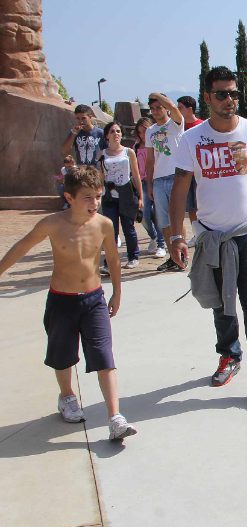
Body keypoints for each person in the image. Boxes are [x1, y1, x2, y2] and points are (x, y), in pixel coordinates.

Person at [169, 66, 247, 398]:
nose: (229, 100)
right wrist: (176, 236)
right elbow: (179, 190)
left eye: (234, 93)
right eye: (222, 94)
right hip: (214, 237)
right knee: (222, 304)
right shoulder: (191, 139)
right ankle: (229, 356)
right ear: (208, 97)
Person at [0, 166, 137, 440]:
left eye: (97, 196)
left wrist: (117, 293)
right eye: (87, 197)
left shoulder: (104, 224)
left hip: (94, 300)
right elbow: (22, 247)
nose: (94, 203)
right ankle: (67, 396)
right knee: (62, 356)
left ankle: (115, 417)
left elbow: (112, 259)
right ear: (69, 197)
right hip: (61, 302)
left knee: (104, 356)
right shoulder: (52, 224)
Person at [145, 92, 184, 272]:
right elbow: (150, 159)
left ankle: (182, 255)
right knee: (164, 221)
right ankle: (173, 257)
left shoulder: (175, 123)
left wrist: (157, 95)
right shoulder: (150, 131)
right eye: (152, 108)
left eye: (158, 107)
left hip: (176, 175)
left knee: (177, 219)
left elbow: (174, 108)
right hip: (159, 179)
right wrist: (150, 183)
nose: (155, 111)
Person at [99, 121, 144, 270]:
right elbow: (100, 176)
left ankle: (133, 257)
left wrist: (141, 197)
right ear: (107, 135)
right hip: (109, 195)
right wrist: (98, 194)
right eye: (112, 131)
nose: (116, 134)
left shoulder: (128, 152)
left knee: (128, 228)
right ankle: (110, 261)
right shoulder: (102, 154)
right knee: (110, 230)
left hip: (126, 193)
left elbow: (136, 175)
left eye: (118, 131)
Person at [133, 117, 167, 259]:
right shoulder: (135, 147)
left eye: (145, 131)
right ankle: (153, 236)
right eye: (140, 132)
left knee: (159, 213)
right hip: (143, 183)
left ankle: (161, 244)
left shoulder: (157, 143)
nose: (143, 135)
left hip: (156, 180)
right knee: (144, 215)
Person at [177, 96, 204, 247]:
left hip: (200, 173)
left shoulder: (201, 125)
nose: (178, 110)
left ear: (190, 109)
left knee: (202, 205)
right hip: (186, 172)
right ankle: (196, 234)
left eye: (180, 107)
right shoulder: (178, 127)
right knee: (191, 207)